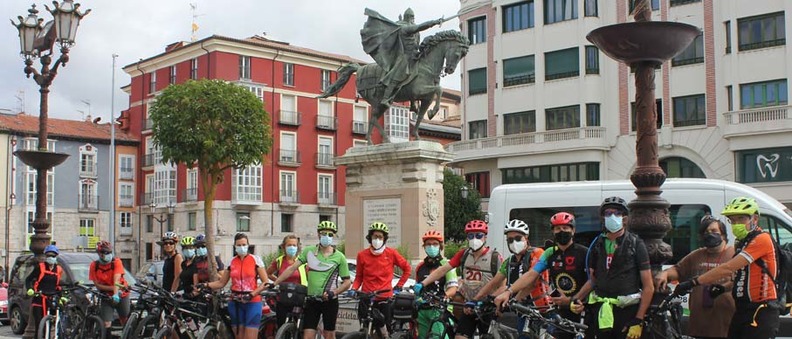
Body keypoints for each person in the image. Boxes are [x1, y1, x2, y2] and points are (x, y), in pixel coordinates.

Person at [675, 197, 780, 338]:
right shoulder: (743, 242)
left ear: (754, 219)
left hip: (761, 309)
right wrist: (724, 288)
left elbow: (728, 268)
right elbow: (742, 277)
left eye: (741, 218)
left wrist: (694, 282)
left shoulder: (762, 239)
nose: (736, 223)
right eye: (733, 220)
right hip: (743, 308)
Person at [569, 196, 654, 339]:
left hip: (627, 311)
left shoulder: (636, 244)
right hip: (602, 310)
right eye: (608, 213)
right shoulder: (597, 244)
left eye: (617, 213)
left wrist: (639, 320)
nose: (612, 217)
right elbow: (593, 279)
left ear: (625, 218)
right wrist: (576, 299)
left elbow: (648, 286)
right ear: (602, 218)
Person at [495, 212, 590, 339]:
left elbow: (594, 281)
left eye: (565, 228)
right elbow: (531, 275)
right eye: (557, 229)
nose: (561, 231)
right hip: (559, 312)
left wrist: (575, 299)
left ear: (573, 230)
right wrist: (509, 292)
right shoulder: (550, 253)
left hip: (583, 309)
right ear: (553, 232)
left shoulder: (585, 253)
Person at [414, 220, 503, 339]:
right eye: (471, 236)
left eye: (478, 235)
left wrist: (490, 300)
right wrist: (423, 283)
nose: (474, 239)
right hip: (469, 306)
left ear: (485, 237)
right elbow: (442, 270)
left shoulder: (495, 257)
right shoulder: (464, 254)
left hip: (488, 308)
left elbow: (504, 286)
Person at [655, 216, 735, 339]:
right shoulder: (697, 255)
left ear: (723, 235)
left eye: (714, 231)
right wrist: (665, 274)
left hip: (727, 325)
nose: (710, 235)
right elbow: (677, 270)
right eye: (706, 232)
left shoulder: (735, 255)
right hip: (699, 325)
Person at [274, 221, 351, 339]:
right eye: (324, 233)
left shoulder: (339, 257)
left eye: (330, 235)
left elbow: (347, 282)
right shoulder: (309, 251)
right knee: (308, 335)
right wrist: (275, 283)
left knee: (329, 334)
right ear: (319, 234)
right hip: (312, 300)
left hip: (330, 301)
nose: (327, 237)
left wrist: (334, 292)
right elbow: (291, 268)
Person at [474, 219, 549, 339]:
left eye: (518, 238)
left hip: (540, 311)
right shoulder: (509, 261)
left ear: (526, 237)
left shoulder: (537, 253)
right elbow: (494, 282)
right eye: (510, 240)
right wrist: (476, 299)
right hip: (520, 311)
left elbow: (532, 282)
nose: (514, 242)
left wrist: (511, 298)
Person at [360, 8, 444, 107]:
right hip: (404, 56)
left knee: (422, 75)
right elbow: (419, 27)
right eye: (412, 18)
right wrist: (434, 22)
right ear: (408, 18)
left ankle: (413, 102)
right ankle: (386, 97)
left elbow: (416, 44)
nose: (413, 20)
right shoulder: (405, 28)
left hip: (414, 56)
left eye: (414, 18)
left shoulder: (416, 32)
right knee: (398, 74)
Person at [347, 222, 412, 338]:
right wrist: (354, 289)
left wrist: (399, 286)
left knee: (384, 331)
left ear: (384, 239)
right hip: (367, 297)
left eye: (380, 237)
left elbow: (407, 269)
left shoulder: (391, 253)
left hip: (384, 298)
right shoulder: (362, 255)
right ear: (370, 237)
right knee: (365, 328)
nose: (377, 239)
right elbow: (359, 277)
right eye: (375, 236)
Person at [203, 232, 268, 339]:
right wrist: (205, 285)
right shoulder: (231, 261)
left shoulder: (256, 260)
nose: (241, 247)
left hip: (252, 302)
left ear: (248, 245)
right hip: (235, 302)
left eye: (244, 244)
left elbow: (266, 283)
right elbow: (221, 283)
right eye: (239, 245)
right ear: (235, 246)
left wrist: (252, 294)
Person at [415, 230, 459, 338]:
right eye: (428, 244)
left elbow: (453, 288)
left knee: (438, 337)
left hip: (440, 310)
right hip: (422, 310)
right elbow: (418, 288)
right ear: (424, 247)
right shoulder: (420, 267)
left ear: (440, 246)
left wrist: (444, 297)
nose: (431, 247)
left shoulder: (446, 265)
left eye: (435, 244)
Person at [89, 240, 131, 331]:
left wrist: (116, 293)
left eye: (109, 252)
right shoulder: (94, 266)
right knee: (106, 323)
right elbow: (98, 286)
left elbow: (117, 279)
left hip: (121, 294)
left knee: (124, 319)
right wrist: (114, 288)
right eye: (105, 253)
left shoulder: (116, 262)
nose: (107, 254)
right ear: (99, 254)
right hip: (106, 295)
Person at [266, 234, 307, 327]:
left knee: (299, 326)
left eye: (294, 245)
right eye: (289, 245)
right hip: (283, 297)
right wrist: (278, 281)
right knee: (281, 323)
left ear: (298, 247)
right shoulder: (279, 261)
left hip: (299, 298)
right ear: (284, 247)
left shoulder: (302, 261)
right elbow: (267, 273)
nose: (292, 247)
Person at [26, 244, 63, 338]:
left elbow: (59, 284)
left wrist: (62, 296)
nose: (51, 258)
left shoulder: (58, 269)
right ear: (46, 256)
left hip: (51, 298)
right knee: (39, 324)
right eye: (49, 256)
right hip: (39, 298)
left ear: (56, 257)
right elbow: (28, 279)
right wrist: (30, 289)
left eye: (53, 256)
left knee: (51, 324)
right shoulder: (40, 267)